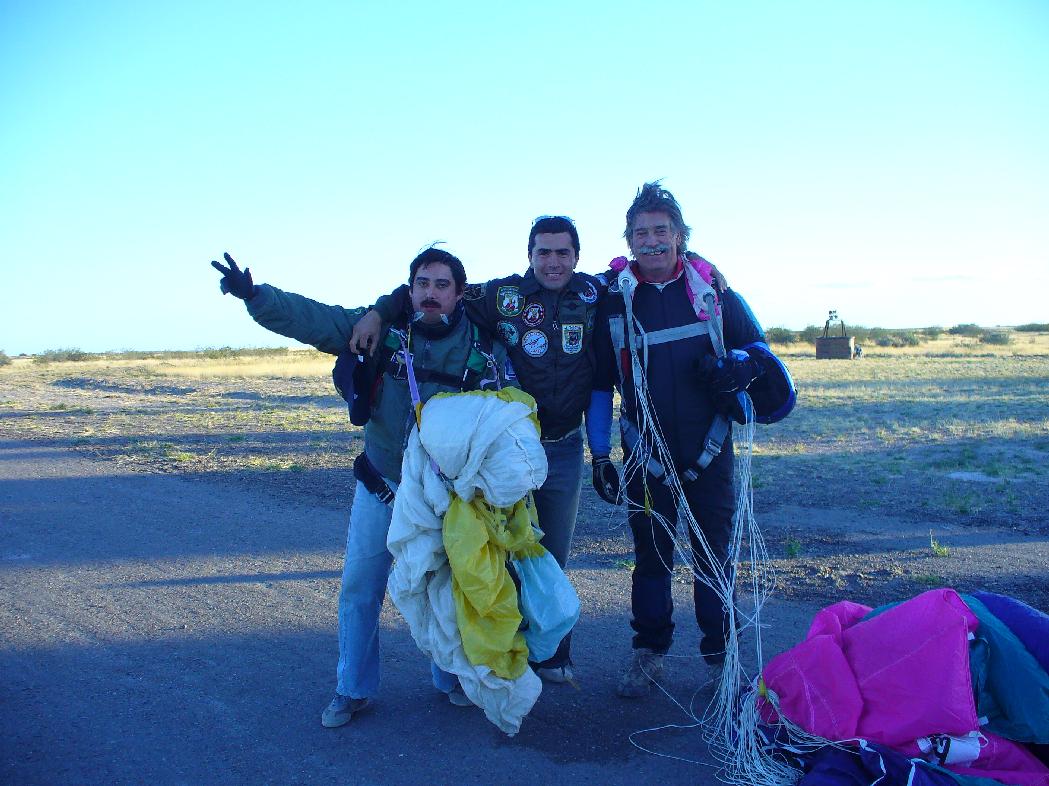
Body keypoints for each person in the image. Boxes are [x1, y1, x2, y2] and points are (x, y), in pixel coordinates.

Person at [210, 246, 514, 726]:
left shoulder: (485, 349)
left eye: (441, 285)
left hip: (446, 498)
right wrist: (256, 296)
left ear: (459, 293)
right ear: (409, 289)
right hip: (382, 485)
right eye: (421, 283)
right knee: (360, 588)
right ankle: (352, 687)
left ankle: (451, 676)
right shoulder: (381, 332)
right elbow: (315, 320)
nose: (430, 294)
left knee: (447, 588)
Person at [350, 216, 618, 684]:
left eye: (563, 252)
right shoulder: (501, 297)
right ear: (529, 254)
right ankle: (502, 654)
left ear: (577, 256)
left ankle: (551, 653)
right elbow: (432, 296)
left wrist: (602, 453)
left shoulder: (597, 295)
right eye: (543, 252)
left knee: (551, 552)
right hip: (505, 451)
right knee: (502, 551)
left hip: (565, 449)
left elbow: (647, 276)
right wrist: (380, 310)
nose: (553, 261)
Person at [589, 182, 794, 698]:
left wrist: (740, 367)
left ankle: (721, 660)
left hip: (711, 448)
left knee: (714, 556)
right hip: (645, 454)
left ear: (680, 236)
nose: (652, 241)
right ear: (628, 240)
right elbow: (597, 383)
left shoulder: (713, 292)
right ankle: (649, 655)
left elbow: (759, 352)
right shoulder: (613, 301)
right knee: (651, 556)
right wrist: (598, 454)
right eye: (641, 232)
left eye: (662, 230)